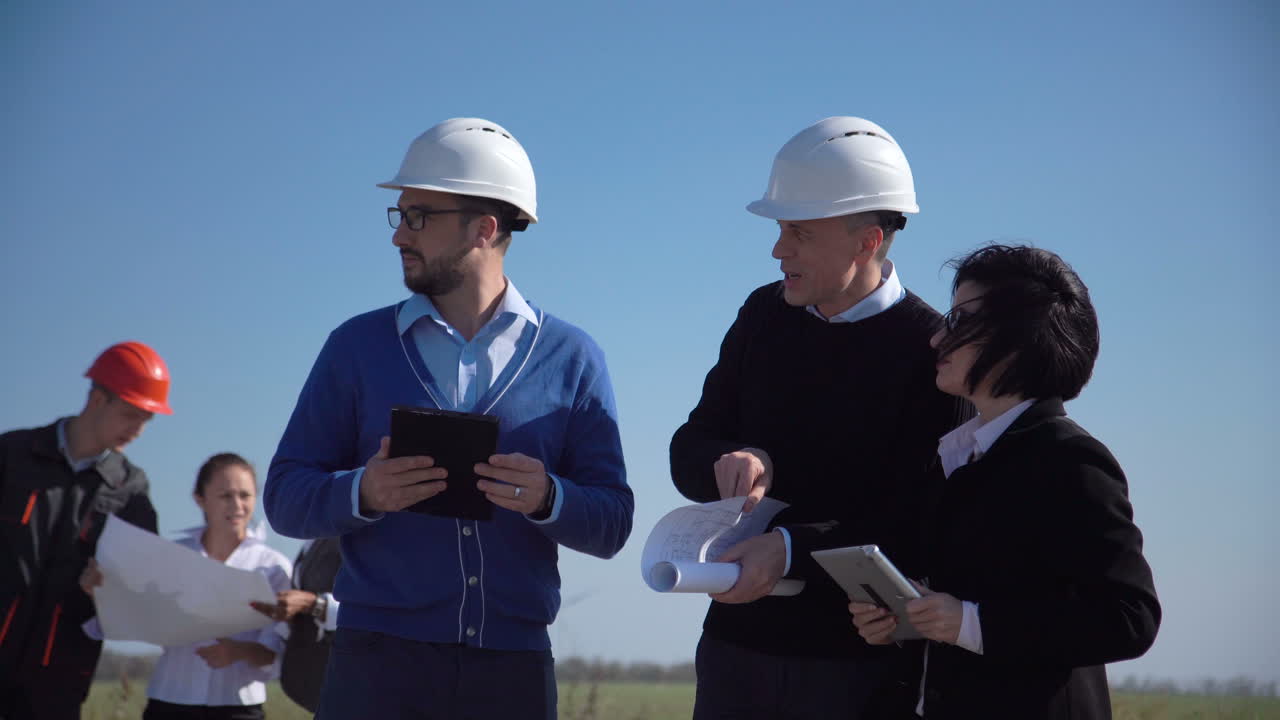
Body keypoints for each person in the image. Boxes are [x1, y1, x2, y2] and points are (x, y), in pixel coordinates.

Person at [264, 117, 633, 720]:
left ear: (483, 228)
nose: (398, 236)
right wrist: (364, 489)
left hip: (512, 674)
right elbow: (284, 497)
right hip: (373, 669)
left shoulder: (574, 358)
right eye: (399, 216)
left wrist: (548, 498)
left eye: (418, 217)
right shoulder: (354, 347)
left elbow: (613, 521)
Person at [669, 117, 971, 719]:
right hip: (734, 653)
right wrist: (727, 462)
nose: (779, 249)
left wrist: (789, 550)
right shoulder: (761, 315)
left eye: (799, 232)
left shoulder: (936, 352)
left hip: (858, 670)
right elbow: (690, 444)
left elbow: (922, 521)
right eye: (782, 230)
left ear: (868, 240)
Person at [849, 244, 1161, 718]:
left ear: (1017, 338)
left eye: (958, 321)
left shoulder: (1071, 461)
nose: (936, 338)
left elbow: (1129, 617)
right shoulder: (957, 457)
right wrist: (903, 617)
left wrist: (970, 623)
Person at [0, 341, 172, 720]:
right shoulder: (11, 455)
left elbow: (142, 583)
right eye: (131, 415)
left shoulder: (131, 490)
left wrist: (110, 585)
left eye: (147, 420)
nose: (138, 431)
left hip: (56, 681)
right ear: (97, 400)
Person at [141, 453, 292, 720]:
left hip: (238, 706)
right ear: (200, 499)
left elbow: (279, 651)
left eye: (245, 495)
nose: (237, 505)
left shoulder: (274, 567)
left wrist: (237, 651)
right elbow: (141, 618)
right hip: (170, 700)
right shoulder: (171, 556)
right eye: (225, 495)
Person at [250, 536, 341, 713]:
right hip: (318, 688)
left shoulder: (357, 533)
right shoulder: (315, 536)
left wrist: (314, 604)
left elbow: (376, 611)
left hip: (349, 683)